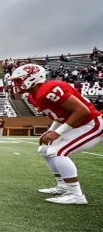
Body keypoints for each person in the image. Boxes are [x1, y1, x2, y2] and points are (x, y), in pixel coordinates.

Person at [9, 64, 102, 204]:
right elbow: (59, 116)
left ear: (32, 78)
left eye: (19, 80)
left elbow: (83, 111)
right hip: (78, 124)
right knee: (45, 149)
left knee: (57, 151)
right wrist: (52, 130)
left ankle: (76, 194)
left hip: (91, 123)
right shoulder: (33, 97)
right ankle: (63, 186)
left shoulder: (48, 89)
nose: (17, 84)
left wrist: (58, 133)